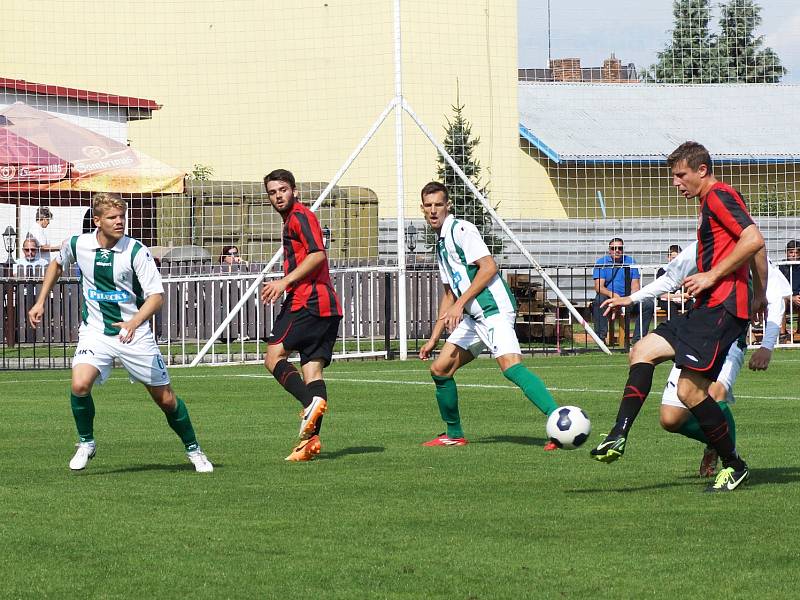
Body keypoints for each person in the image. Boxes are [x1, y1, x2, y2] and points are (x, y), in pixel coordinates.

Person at [590, 141, 767, 493]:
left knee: (689, 391)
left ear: (701, 170)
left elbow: (754, 240)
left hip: (722, 309)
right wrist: (756, 293)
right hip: (706, 307)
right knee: (642, 350)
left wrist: (716, 277)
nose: (675, 182)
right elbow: (750, 248)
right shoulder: (707, 204)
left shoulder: (719, 195)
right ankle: (617, 435)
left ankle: (734, 464)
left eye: (680, 175)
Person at [27, 192, 213, 473]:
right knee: (79, 384)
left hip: (134, 333)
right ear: (98, 221)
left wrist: (133, 323)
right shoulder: (78, 244)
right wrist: (40, 300)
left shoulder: (136, 251)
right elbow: (56, 263)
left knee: (165, 399)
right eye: (112, 217)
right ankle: (86, 442)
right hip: (95, 332)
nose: (119, 222)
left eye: (122, 217)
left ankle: (194, 450)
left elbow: (156, 297)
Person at [614, 241, 790, 477]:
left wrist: (766, 346)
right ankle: (716, 441)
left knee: (714, 393)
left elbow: (776, 298)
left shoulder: (751, 251)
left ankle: (732, 462)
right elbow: (671, 278)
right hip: (695, 335)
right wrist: (632, 299)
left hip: (729, 340)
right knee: (670, 419)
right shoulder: (704, 245)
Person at [417, 181, 560, 448]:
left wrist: (461, 304)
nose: (433, 210)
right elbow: (449, 294)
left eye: (438, 204)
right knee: (440, 369)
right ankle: (454, 434)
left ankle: (559, 421)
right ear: (422, 209)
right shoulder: (440, 244)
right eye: (428, 206)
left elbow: (488, 267)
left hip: (494, 310)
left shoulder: (461, 230)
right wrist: (433, 337)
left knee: (511, 367)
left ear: (448, 206)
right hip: (473, 317)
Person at [261, 169, 342, 462]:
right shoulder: (293, 220)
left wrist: (283, 282)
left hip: (306, 302)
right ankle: (309, 443)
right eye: (272, 192)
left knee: (273, 358)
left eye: (283, 189)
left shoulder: (300, 216)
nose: (278, 196)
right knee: (312, 372)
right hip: (328, 308)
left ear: (294, 190)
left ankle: (309, 403)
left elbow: (318, 253)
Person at [592, 238, 653, 344]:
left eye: (620, 248)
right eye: (614, 248)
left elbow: (635, 286)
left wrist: (627, 299)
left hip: (627, 297)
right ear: (609, 250)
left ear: (623, 249)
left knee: (647, 304)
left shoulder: (630, 261)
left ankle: (638, 340)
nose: (617, 250)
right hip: (609, 298)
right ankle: (600, 338)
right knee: (599, 301)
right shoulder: (601, 262)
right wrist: (614, 296)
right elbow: (599, 287)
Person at [656, 244, 693, 315]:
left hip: (682, 300)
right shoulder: (662, 271)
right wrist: (679, 296)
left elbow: (689, 291)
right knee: (671, 308)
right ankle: (675, 326)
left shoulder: (685, 271)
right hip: (667, 301)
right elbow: (662, 295)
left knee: (693, 307)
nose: (676, 260)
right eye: (674, 258)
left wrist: (685, 298)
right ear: (668, 257)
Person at [778, 240, 800, 342]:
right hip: (786, 298)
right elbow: (778, 289)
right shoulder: (781, 266)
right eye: (791, 252)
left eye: (796, 252)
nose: (794, 255)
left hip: (798, 297)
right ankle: (782, 334)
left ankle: (799, 333)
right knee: (781, 300)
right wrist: (791, 297)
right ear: (786, 252)